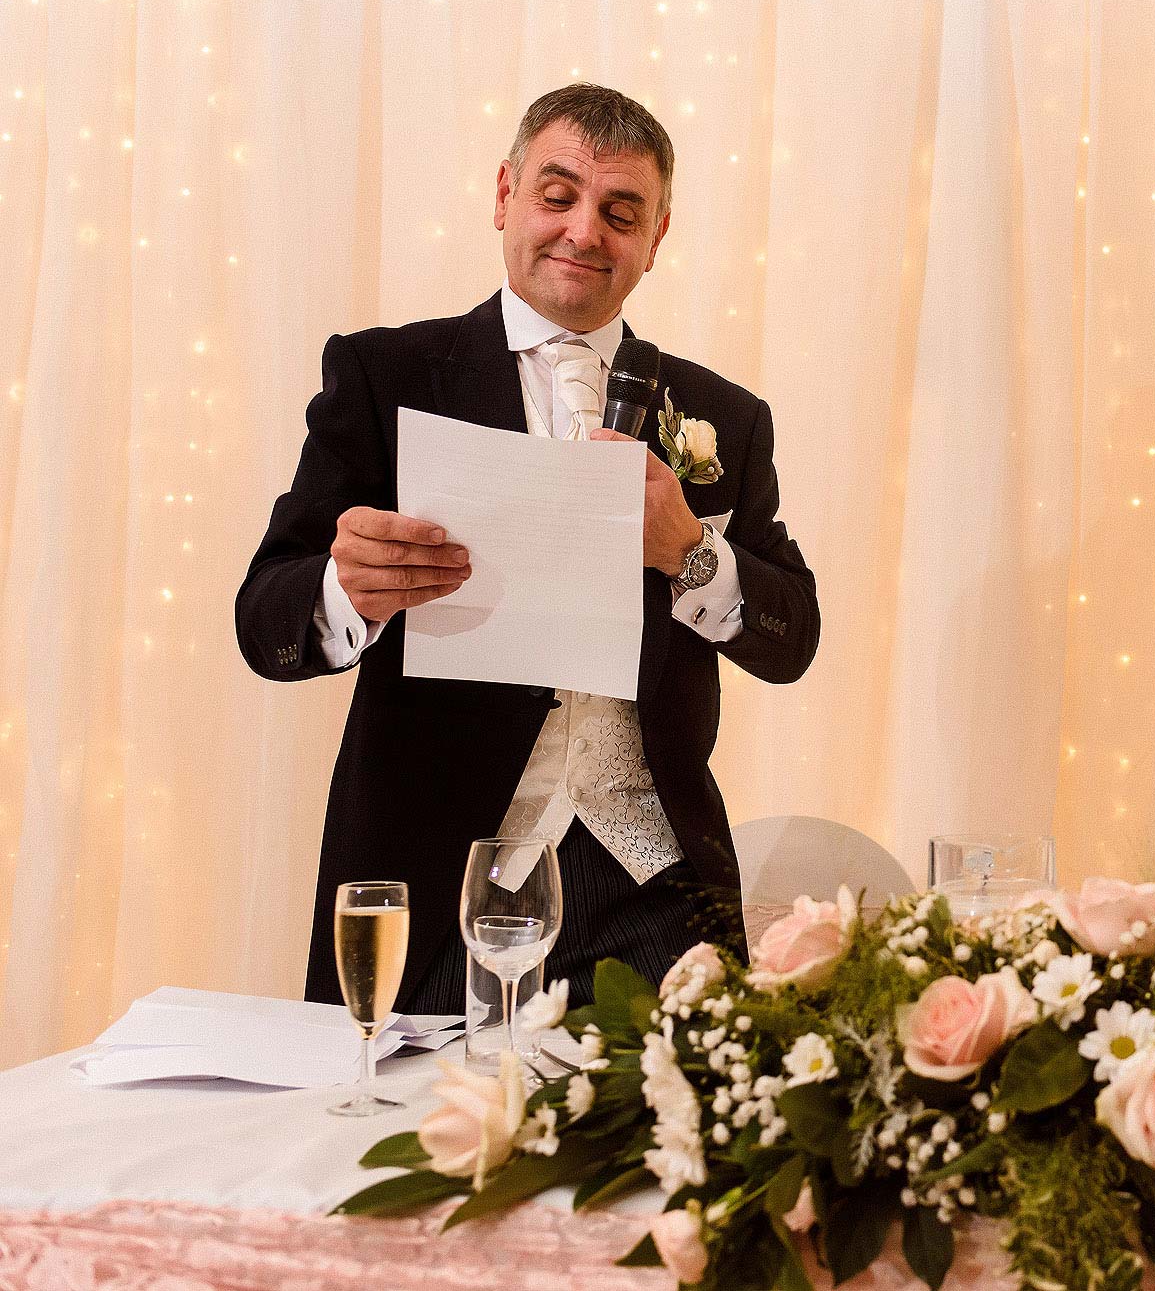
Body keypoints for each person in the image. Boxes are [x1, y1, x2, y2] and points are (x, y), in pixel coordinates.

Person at [236, 83, 818, 1014]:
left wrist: (689, 554)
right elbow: (264, 612)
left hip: (656, 891)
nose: (586, 232)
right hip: (435, 883)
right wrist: (349, 590)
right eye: (559, 195)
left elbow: (793, 638)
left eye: (621, 212)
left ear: (656, 239)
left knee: (662, 1151)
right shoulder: (386, 374)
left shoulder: (728, 418)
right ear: (504, 195)